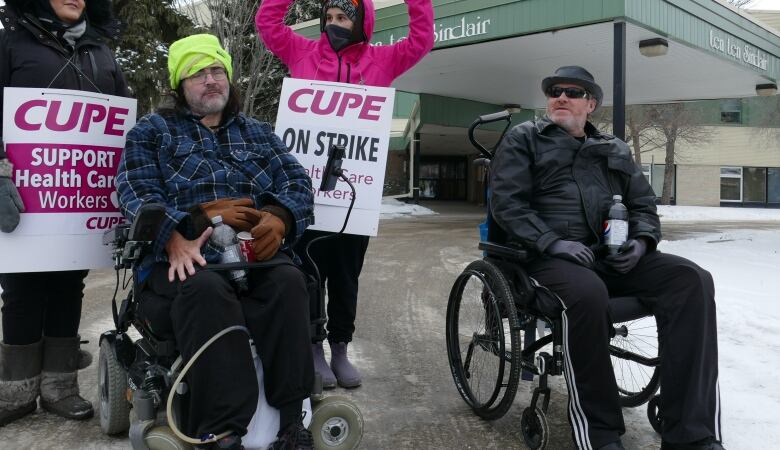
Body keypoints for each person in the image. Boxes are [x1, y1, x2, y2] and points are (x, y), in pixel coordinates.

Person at [489, 66, 724, 450]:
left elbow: (643, 205)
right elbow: (507, 205)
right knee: (587, 293)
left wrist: (642, 242)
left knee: (692, 280)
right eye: (554, 91)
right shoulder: (525, 139)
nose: (561, 97)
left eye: (573, 92)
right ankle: (599, 433)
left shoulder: (614, 148)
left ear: (591, 104)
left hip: (609, 255)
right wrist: (552, 242)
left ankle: (691, 433)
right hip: (544, 258)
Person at [116, 34, 316, 450]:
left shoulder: (258, 133)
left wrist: (280, 218)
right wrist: (176, 232)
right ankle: (223, 432)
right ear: (180, 85)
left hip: (251, 253)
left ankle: (292, 422)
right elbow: (136, 193)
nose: (210, 80)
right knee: (205, 290)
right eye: (197, 73)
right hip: (189, 255)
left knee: (289, 283)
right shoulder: (152, 132)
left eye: (217, 70)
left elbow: (297, 182)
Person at [256, 0, 434, 389]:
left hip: (354, 192)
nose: (335, 25)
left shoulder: (382, 60)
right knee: (305, 272)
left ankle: (340, 347)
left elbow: (422, 40)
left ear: (361, 23)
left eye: (344, 18)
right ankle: (313, 346)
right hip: (304, 192)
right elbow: (267, 23)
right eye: (330, 18)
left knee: (345, 275)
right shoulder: (301, 50)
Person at [0, 0, 128, 426]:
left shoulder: (102, 53)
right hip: (22, 195)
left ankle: (60, 386)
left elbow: (121, 123)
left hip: (77, 196)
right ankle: (15, 391)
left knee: (67, 284)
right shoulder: (12, 44)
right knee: (19, 289)